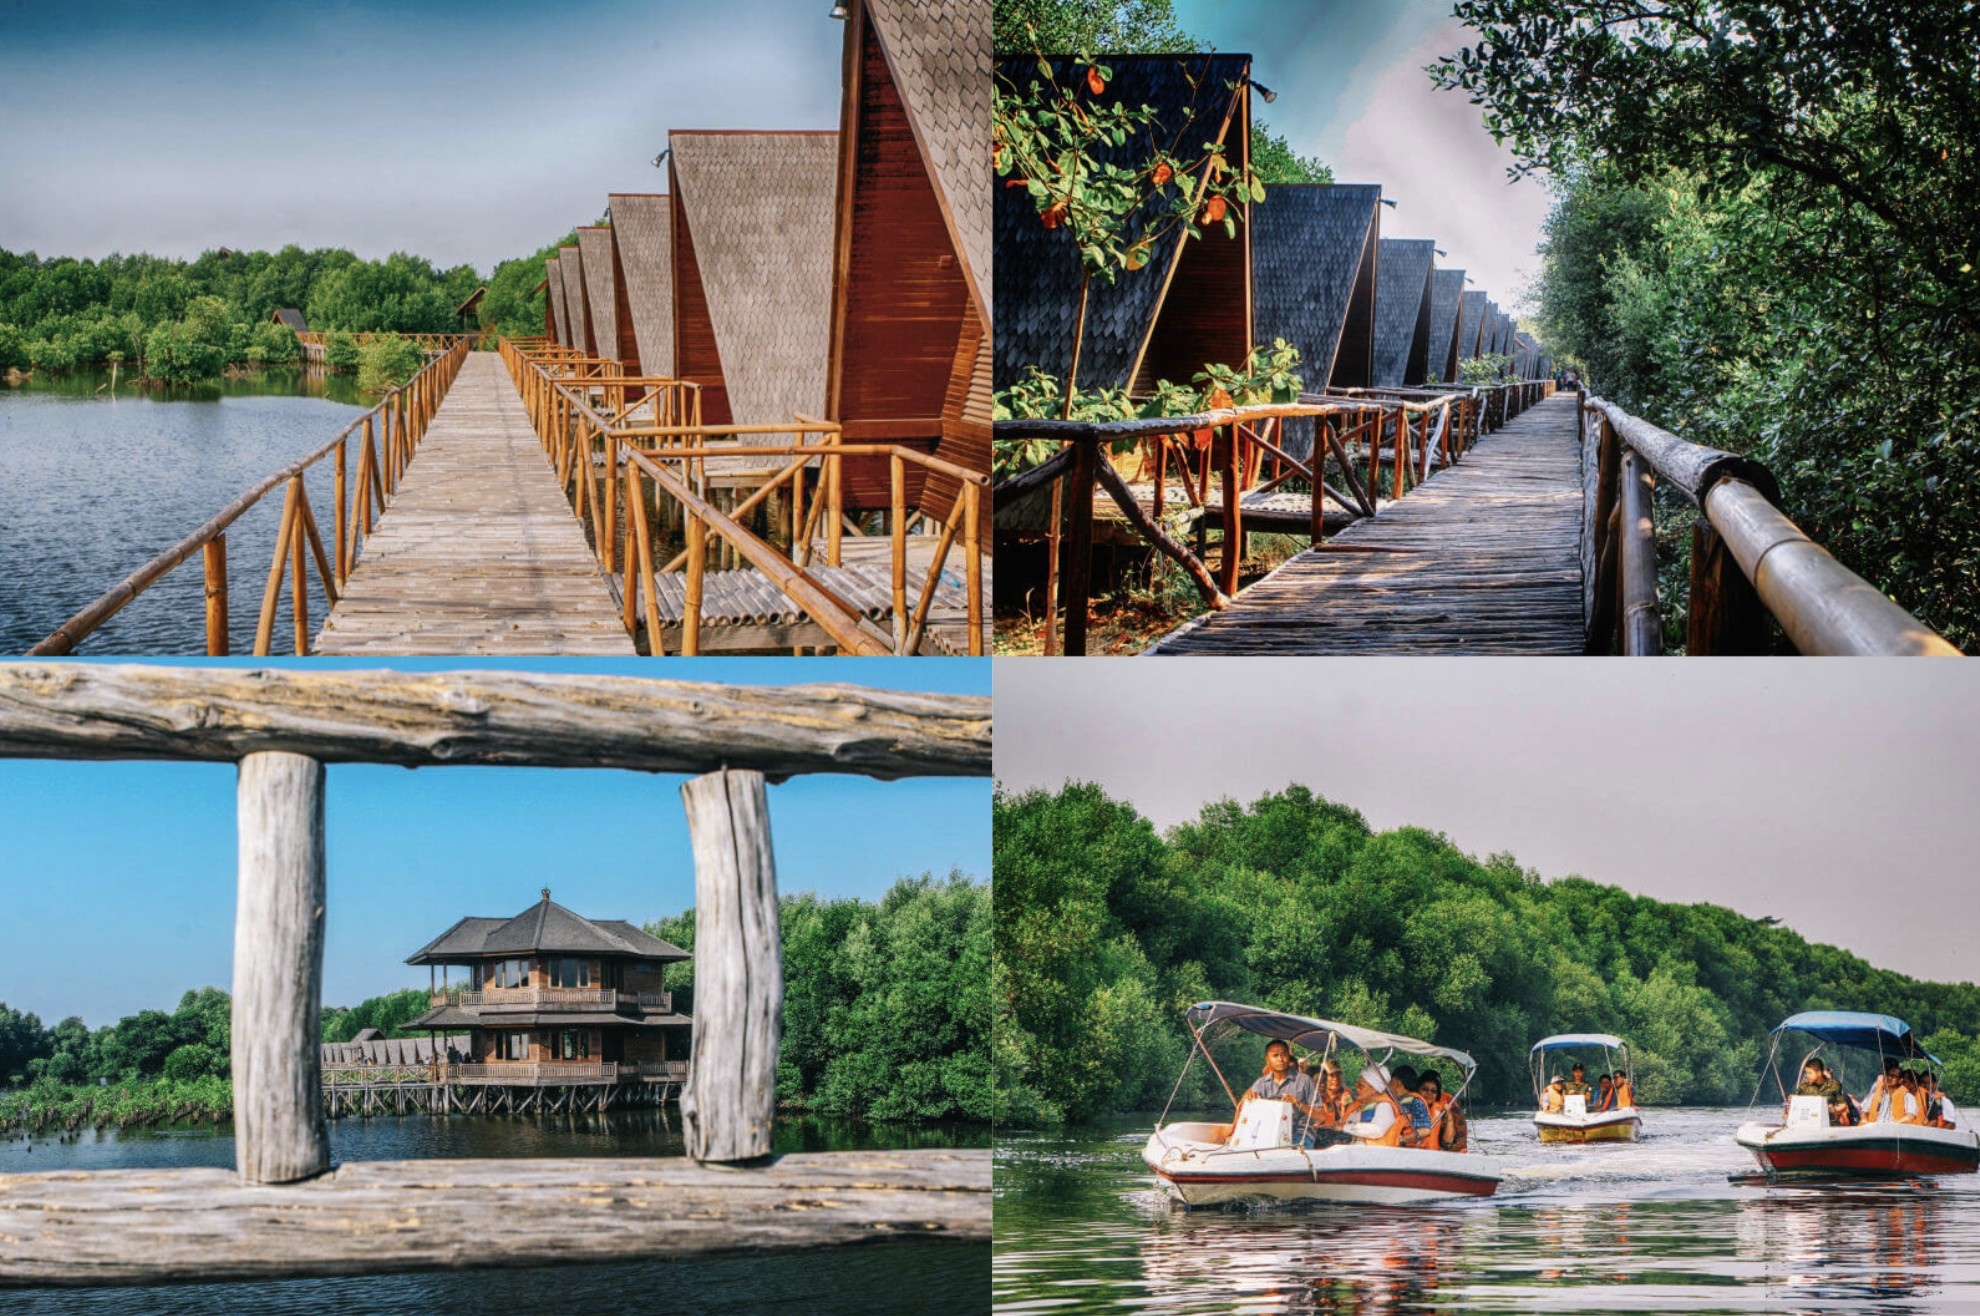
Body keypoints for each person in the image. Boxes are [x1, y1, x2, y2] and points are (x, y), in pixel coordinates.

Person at [1239, 1040, 1324, 1142]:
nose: (1280, 1059)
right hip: (1269, 1133)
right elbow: (1245, 1110)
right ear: (1267, 1060)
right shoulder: (1261, 1083)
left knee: (1292, 1147)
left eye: (1283, 1055)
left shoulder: (1305, 1080)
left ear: (1288, 1056)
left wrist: (1298, 1104)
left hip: (1300, 1134)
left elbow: (1321, 1116)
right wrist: (1249, 1099)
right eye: (1275, 1055)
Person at [1343, 1063, 1408, 1147]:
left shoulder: (1384, 1106)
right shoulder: (1358, 1106)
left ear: (1374, 1089)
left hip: (1374, 1154)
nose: (1356, 1087)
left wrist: (1345, 1128)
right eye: (1357, 1084)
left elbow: (1377, 1130)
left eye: (1361, 1086)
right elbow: (1347, 1123)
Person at [1419, 1072, 1468, 1153]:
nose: (1429, 1093)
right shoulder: (1408, 1103)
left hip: (1442, 1156)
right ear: (1418, 1089)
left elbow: (1447, 1143)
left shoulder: (1442, 1109)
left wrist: (1448, 1115)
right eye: (1425, 1089)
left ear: (1438, 1094)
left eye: (1433, 1091)